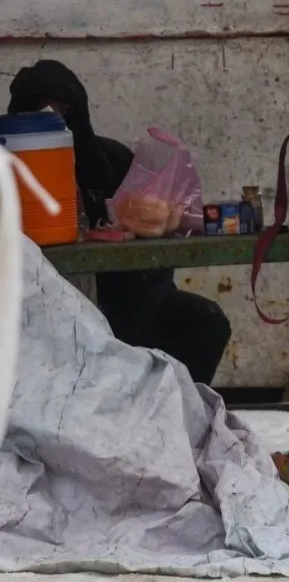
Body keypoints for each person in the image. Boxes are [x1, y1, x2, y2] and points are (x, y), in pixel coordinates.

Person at [7, 61, 233, 385]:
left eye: (61, 107)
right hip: (35, 321)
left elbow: (152, 264)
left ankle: (174, 422)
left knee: (204, 322)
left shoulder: (111, 162)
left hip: (122, 310)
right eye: (36, 108)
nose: (51, 117)